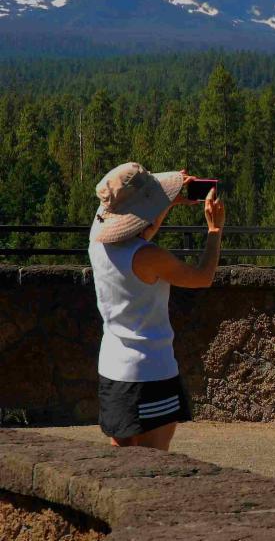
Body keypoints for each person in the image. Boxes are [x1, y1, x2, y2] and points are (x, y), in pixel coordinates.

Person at [88, 162, 225, 451]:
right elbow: (203, 277)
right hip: (151, 373)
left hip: (113, 372)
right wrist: (214, 231)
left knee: (119, 466)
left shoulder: (96, 242)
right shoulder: (148, 257)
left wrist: (167, 201)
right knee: (154, 465)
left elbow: (139, 229)